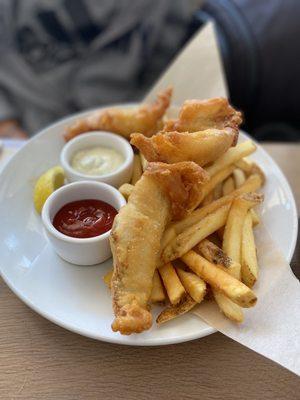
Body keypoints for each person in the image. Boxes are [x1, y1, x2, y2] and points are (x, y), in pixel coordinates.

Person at [0, 0, 201, 138]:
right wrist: (10, 133)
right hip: (26, 127)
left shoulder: (166, 7)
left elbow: (161, 77)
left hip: (117, 132)